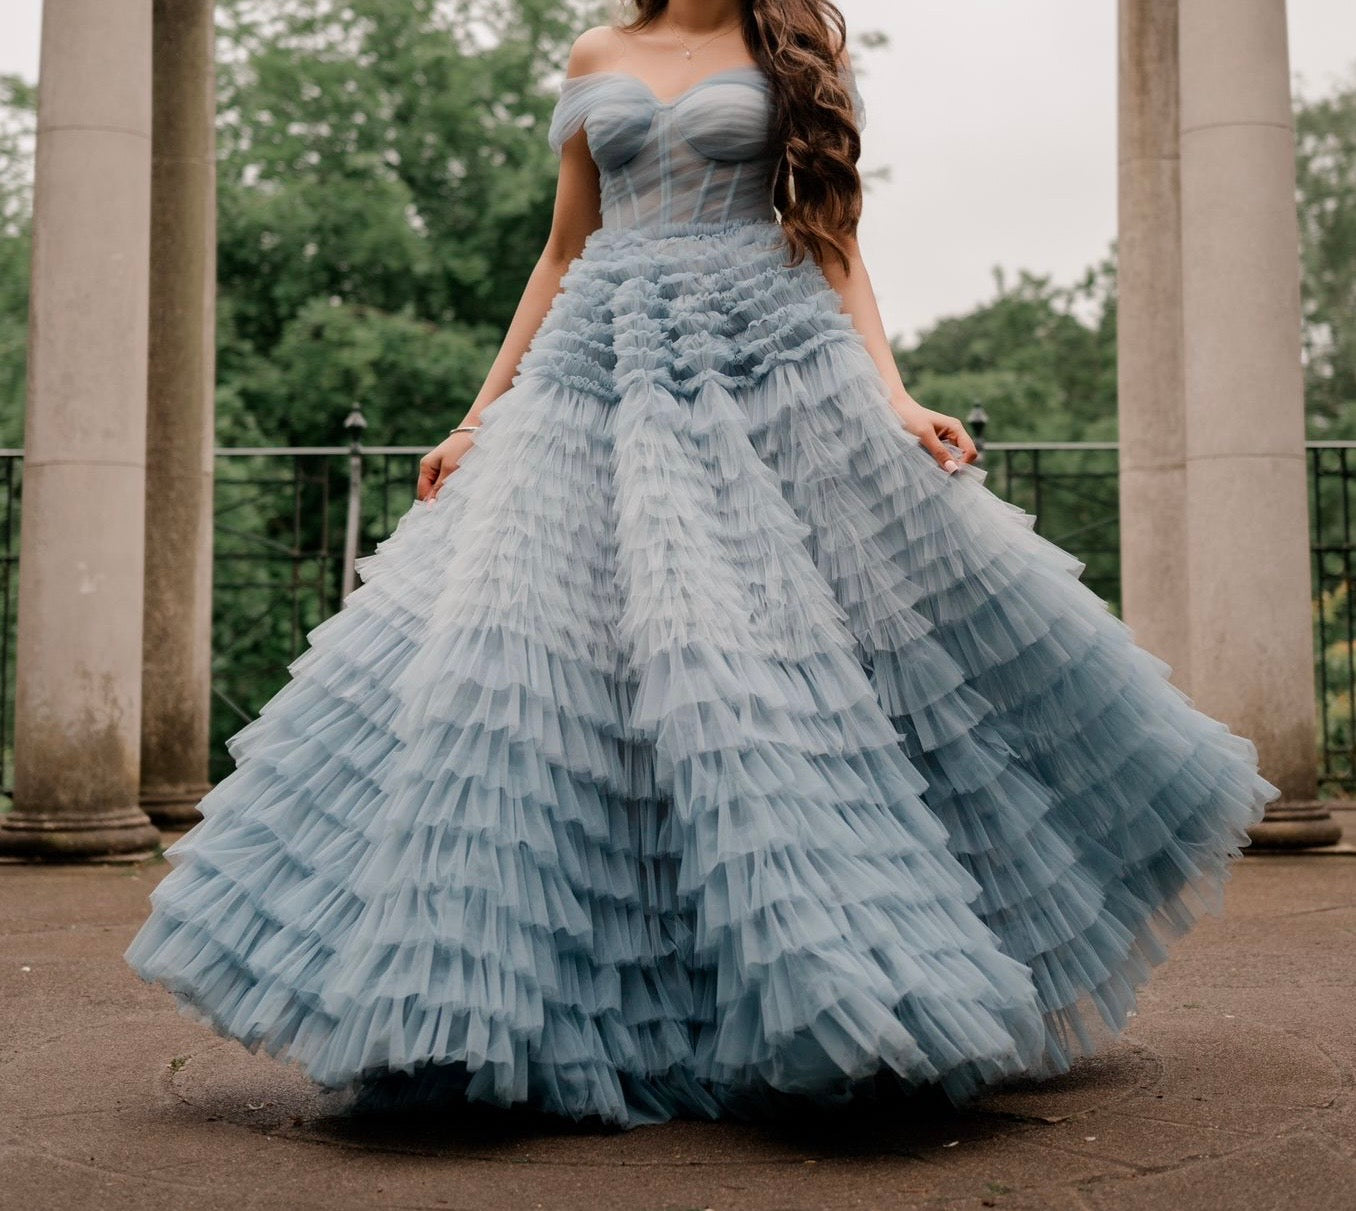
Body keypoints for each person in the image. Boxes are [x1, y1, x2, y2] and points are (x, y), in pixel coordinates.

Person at [126, 0, 1277, 1128]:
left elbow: (836, 243)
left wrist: (895, 392)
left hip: (767, 362)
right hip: (599, 366)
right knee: (514, 672)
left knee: (749, 679)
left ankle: (844, 996)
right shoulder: (597, 48)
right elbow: (567, 244)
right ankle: (491, 1019)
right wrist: (479, 417)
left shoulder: (790, 44)